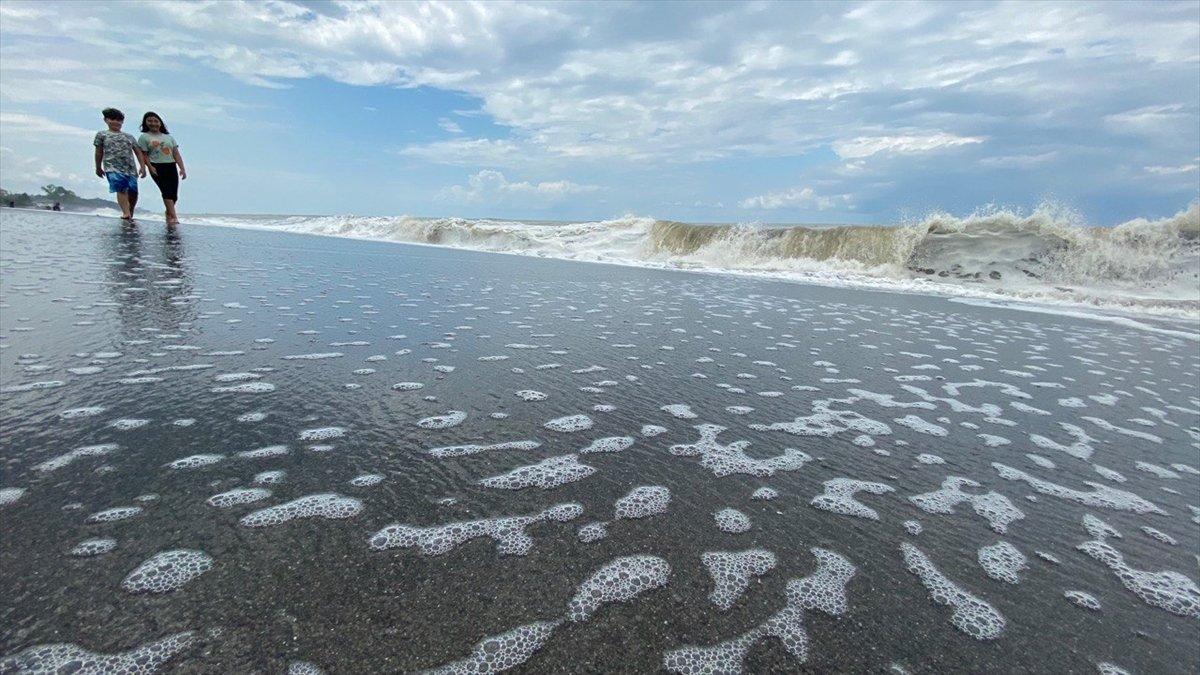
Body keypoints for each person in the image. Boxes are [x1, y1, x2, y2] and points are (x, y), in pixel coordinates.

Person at [94, 108, 145, 220]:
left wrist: (142, 166)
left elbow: (138, 152)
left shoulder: (129, 136)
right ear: (106, 120)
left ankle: (130, 210)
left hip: (130, 168)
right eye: (113, 119)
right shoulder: (102, 135)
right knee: (121, 187)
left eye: (119, 120)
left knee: (133, 191)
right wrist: (98, 167)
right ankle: (125, 212)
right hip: (112, 167)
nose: (116, 122)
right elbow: (98, 152)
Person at [136, 111, 187, 225]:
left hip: (171, 165)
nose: (153, 123)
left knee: (174, 195)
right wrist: (148, 167)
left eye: (156, 121)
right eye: (150, 121)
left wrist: (182, 168)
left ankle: (168, 212)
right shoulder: (144, 137)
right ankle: (173, 217)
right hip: (156, 165)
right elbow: (143, 154)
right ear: (145, 123)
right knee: (166, 191)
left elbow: (176, 154)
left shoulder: (169, 137)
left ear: (160, 123)